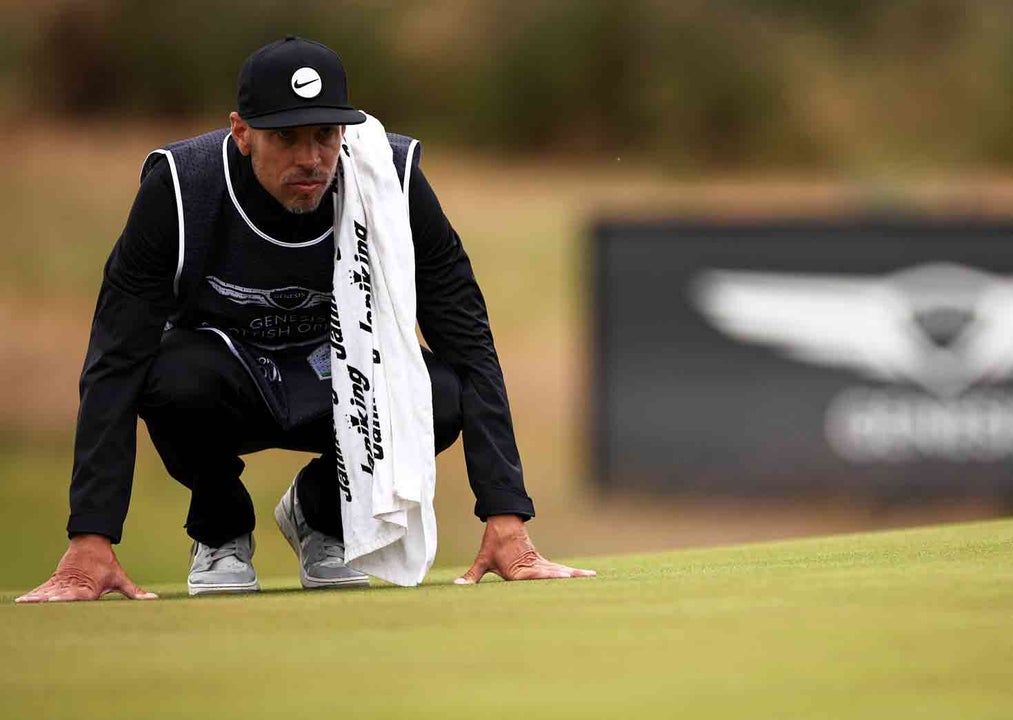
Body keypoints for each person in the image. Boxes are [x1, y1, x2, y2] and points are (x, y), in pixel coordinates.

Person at [16, 36, 592, 603]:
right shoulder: (180, 187)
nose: (311, 159)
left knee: (439, 391)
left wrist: (507, 518)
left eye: (325, 135)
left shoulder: (388, 180)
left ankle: (323, 515)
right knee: (163, 374)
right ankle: (220, 529)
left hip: (337, 380)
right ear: (241, 132)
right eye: (286, 138)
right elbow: (115, 359)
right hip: (221, 379)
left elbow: (468, 341)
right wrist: (90, 537)